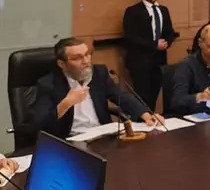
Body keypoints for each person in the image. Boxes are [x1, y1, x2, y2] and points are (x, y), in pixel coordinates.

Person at [34, 38, 164, 139]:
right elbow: (41, 124)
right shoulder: (47, 84)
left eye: (87, 54)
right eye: (77, 58)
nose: (86, 61)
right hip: (72, 140)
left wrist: (146, 114)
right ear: (61, 64)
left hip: (103, 135)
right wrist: (66, 103)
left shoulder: (99, 73)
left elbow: (121, 96)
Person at [123, 0, 177, 110]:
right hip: (140, 61)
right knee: (142, 96)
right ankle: (143, 119)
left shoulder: (163, 10)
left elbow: (170, 32)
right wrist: (154, 45)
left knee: (154, 94)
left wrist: (167, 42)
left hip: (159, 60)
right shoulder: (133, 11)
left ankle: (151, 117)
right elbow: (131, 37)